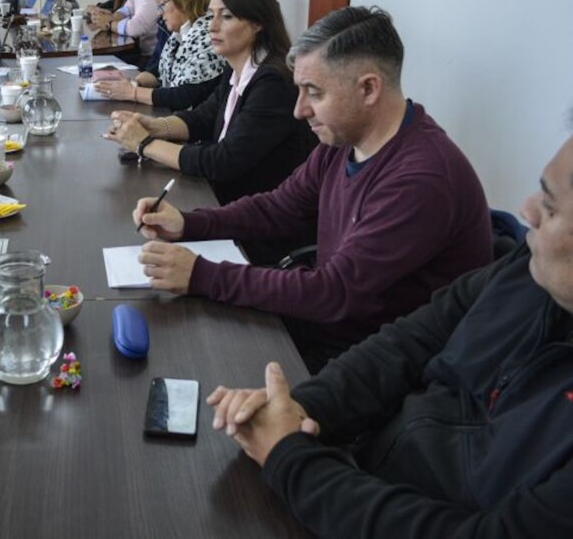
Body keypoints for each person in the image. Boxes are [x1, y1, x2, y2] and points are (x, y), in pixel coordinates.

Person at [207, 133, 573, 537]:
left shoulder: (424, 175)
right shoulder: (529, 270)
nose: (527, 210)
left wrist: (292, 459)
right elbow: (410, 340)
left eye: (551, 207)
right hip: (358, 473)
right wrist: (298, 410)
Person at [133, 6, 493, 371]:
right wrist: (189, 223)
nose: (299, 110)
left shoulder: (421, 179)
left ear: (368, 88)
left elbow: (334, 292)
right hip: (328, 331)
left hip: (371, 365)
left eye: (314, 93)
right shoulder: (344, 142)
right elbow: (278, 207)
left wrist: (202, 274)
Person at [104, 0, 317, 265]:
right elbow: (202, 118)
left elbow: (223, 161)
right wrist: (154, 125)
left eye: (226, 16)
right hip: (228, 206)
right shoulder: (241, 69)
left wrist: (145, 144)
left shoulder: (273, 82)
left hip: (259, 229)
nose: (212, 26)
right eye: (212, 14)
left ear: (258, 23)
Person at [93, 0, 224, 111]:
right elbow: (160, 72)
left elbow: (184, 96)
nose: (159, 12)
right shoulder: (180, 34)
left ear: (183, 0)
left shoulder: (208, 37)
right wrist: (132, 83)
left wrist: (132, 93)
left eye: (162, 4)